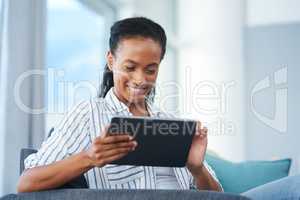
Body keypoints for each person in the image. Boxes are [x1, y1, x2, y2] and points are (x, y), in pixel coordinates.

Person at [17, 17, 223, 193]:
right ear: (111, 61)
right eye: (130, 67)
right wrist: (89, 158)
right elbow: (26, 183)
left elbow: (219, 197)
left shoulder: (172, 122)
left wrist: (197, 169)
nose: (140, 79)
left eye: (150, 70)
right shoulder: (89, 114)